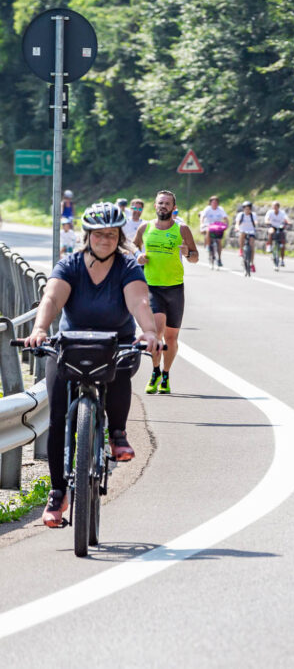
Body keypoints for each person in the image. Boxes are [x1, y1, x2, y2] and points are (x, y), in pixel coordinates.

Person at [23, 202, 158, 527]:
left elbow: (139, 300)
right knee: (57, 418)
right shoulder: (70, 264)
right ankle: (58, 493)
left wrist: (149, 331)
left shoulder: (127, 266)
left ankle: (117, 433)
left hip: (115, 345)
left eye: (111, 234)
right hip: (71, 346)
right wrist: (40, 329)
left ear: (119, 237)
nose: (105, 240)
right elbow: (52, 298)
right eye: (99, 234)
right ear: (88, 236)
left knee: (121, 367)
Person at [132, 190, 200, 394]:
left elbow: (195, 257)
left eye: (167, 203)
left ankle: (166, 374)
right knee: (157, 332)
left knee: (171, 338)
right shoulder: (146, 227)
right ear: (155, 206)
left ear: (173, 207)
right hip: (152, 287)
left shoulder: (182, 229)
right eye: (160, 203)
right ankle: (155, 371)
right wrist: (138, 255)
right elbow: (132, 246)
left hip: (175, 288)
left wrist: (188, 253)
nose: (163, 206)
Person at [199, 195, 229, 267]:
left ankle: (219, 259)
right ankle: (208, 246)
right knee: (208, 230)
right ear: (210, 203)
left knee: (219, 241)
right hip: (209, 225)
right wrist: (202, 224)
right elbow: (202, 217)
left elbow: (225, 218)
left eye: (216, 202)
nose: (214, 204)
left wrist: (226, 225)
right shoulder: (208, 209)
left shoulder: (220, 209)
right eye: (213, 202)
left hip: (217, 226)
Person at [264, 200, 290, 266]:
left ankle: (282, 260)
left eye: (275, 206)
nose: (274, 208)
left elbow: (286, 218)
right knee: (270, 232)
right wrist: (267, 222)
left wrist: (288, 222)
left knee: (283, 245)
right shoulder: (270, 212)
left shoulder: (282, 213)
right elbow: (266, 219)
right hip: (273, 227)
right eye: (273, 206)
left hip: (280, 228)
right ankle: (269, 246)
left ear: (278, 207)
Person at [235, 201, 258, 273]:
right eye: (246, 209)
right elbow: (237, 223)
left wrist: (256, 224)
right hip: (242, 231)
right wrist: (237, 228)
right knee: (242, 234)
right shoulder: (241, 215)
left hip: (251, 231)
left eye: (248, 209)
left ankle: (252, 263)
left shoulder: (253, 215)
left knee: (252, 246)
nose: (247, 210)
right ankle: (241, 249)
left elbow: (255, 221)